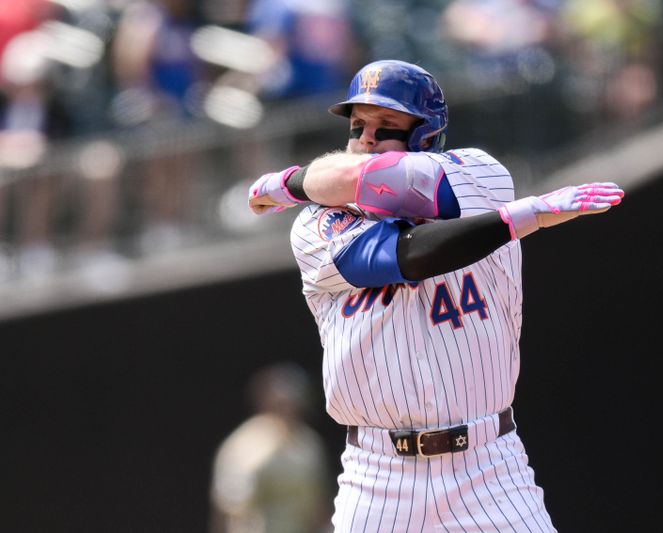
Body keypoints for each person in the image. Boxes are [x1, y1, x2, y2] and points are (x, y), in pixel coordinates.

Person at [248, 59, 624, 532]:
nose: (365, 138)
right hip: (376, 476)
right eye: (357, 125)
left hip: (488, 468)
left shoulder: (481, 176)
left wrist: (286, 185)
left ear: (425, 135)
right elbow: (410, 255)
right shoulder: (316, 225)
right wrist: (523, 217)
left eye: (386, 126)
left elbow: (394, 183)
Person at [209, 362, 332, 533]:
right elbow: (227, 507)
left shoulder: (310, 444)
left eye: (295, 403)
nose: (289, 410)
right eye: (283, 403)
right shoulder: (242, 445)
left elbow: (319, 505)